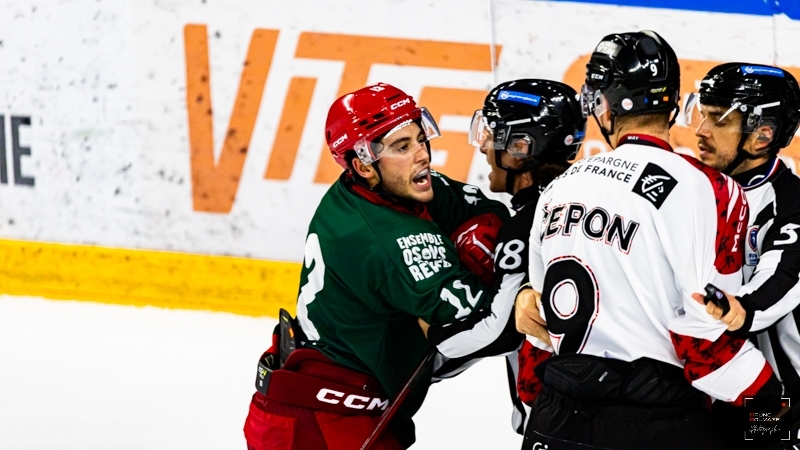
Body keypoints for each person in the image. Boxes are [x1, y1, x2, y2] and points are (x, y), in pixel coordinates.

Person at [516, 31, 782, 450]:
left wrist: (539, 404)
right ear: (673, 102)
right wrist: (775, 411)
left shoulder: (560, 187)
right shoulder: (710, 189)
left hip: (556, 415)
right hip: (654, 421)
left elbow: (536, 327)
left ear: (603, 104)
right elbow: (705, 342)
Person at [242, 83, 509, 450]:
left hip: (316, 406)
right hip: (321, 428)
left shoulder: (381, 191)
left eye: (420, 139)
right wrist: (518, 278)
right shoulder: (387, 239)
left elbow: (486, 211)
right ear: (363, 165)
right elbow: (487, 323)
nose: (423, 155)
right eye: (402, 147)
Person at [684, 62, 800, 448]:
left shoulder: (791, 202)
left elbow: (784, 275)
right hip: (710, 389)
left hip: (778, 401)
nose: (701, 131)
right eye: (702, 114)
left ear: (762, 135)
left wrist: (741, 309)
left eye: (718, 119)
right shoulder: (692, 193)